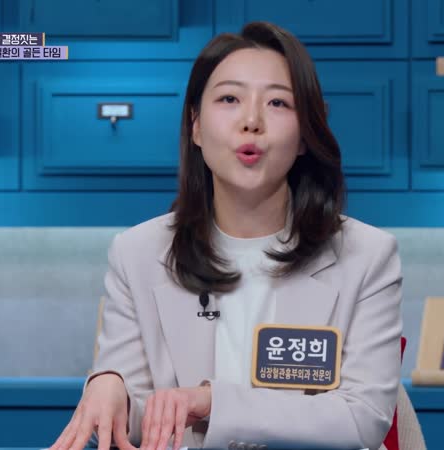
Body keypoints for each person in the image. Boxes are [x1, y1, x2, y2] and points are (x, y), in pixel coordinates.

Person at [51, 21, 402, 450]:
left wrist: (214, 402)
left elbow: (361, 418)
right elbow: (144, 419)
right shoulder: (137, 253)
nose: (251, 121)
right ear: (196, 126)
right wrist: (112, 389)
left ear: (305, 137)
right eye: (229, 99)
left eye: (277, 102)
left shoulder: (367, 256)